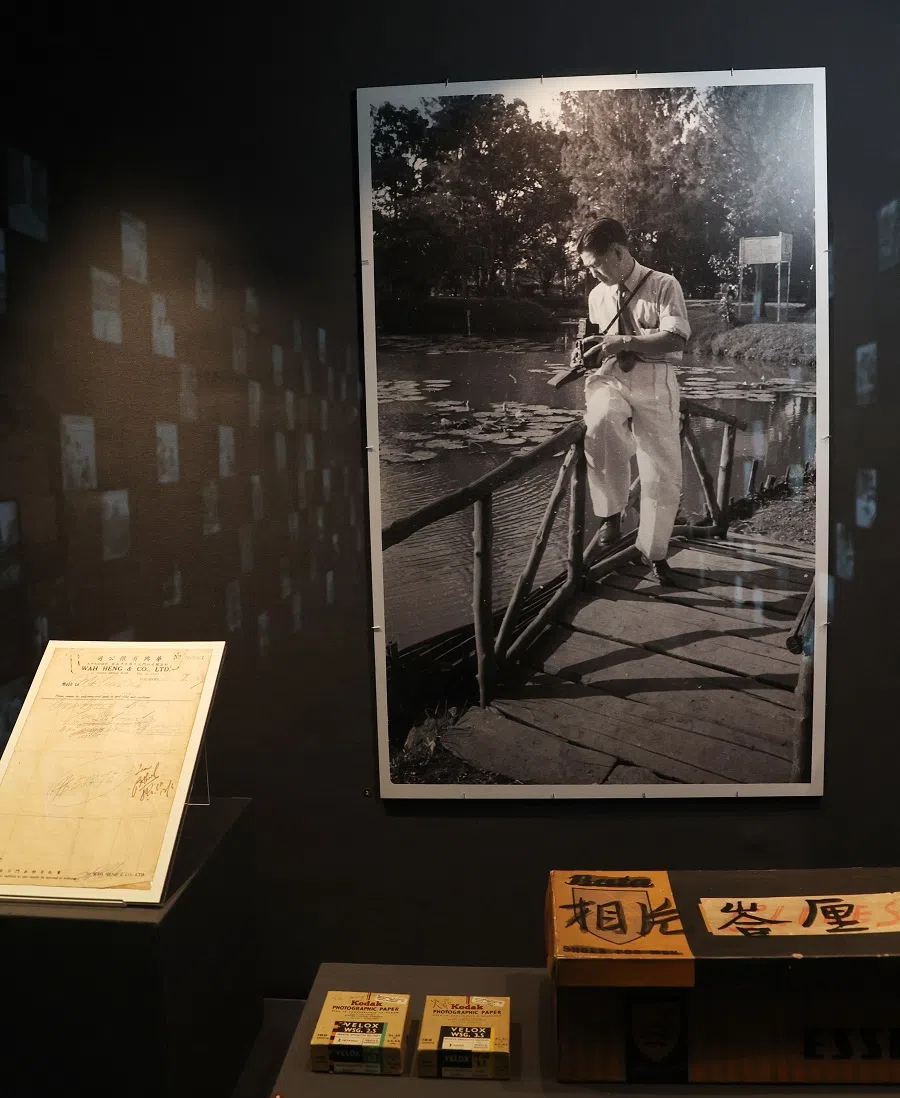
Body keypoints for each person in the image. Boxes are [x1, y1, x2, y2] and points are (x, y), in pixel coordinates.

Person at [575, 218, 691, 585]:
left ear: (618, 252)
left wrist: (624, 343)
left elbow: (676, 339)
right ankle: (611, 513)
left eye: (596, 264)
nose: (593, 274)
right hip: (612, 378)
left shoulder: (662, 284)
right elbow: (600, 341)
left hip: (655, 381)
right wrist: (587, 353)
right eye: (587, 268)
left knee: (661, 471)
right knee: (600, 422)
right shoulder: (597, 296)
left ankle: (654, 552)